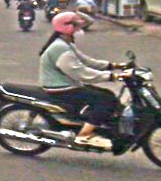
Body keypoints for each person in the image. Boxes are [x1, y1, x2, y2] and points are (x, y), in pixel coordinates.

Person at [38, 11, 128, 149]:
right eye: (75, 25)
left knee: (108, 94)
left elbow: (86, 61)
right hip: (61, 88)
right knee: (105, 100)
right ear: (67, 27)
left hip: (67, 85)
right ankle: (84, 135)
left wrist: (114, 66)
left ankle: (98, 125)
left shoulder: (65, 43)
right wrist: (112, 76)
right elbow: (80, 72)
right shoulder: (60, 47)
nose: (79, 28)